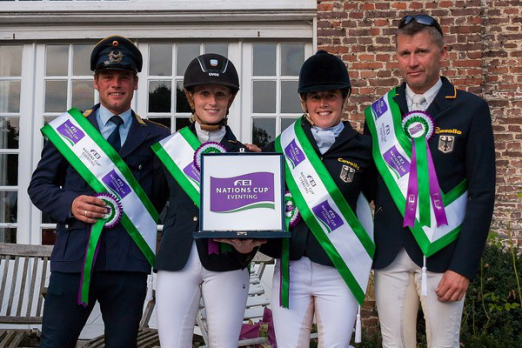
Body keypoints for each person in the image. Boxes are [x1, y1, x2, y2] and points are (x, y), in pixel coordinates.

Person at [28, 35, 170, 347]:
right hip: (74, 261)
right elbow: (39, 187)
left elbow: (165, 196)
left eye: (124, 77)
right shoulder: (69, 131)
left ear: (135, 84)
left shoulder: (158, 137)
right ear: (96, 82)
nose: (116, 84)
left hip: (128, 265)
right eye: (108, 77)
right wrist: (70, 202)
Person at [364, 14, 496, 347]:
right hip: (391, 255)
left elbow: (482, 194)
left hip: (444, 253)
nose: (412, 62)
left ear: (441, 52)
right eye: (404, 53)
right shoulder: (379, 113)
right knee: (394, 344)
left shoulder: (470, 109)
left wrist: (463, 267)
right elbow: (368, 182)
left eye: (421, 52)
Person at [259, 50, 376, 348]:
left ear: (344, 98)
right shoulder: (281, 146)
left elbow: (383, 201)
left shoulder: (363, 148)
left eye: (331, 96)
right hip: (292, 268)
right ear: (303, 102)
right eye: (315, 96)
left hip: (339, 267)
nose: (323, 103)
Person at [152, 53, 265, 347]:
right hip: (176, 259)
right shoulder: (168, 150)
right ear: (190, 98)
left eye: (220, 94)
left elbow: (257, 217)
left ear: (230, 99)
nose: (212, 102)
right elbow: (149, 205)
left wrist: (250, 245)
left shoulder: (247, 155)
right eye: (204, 93)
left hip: (226, 260)